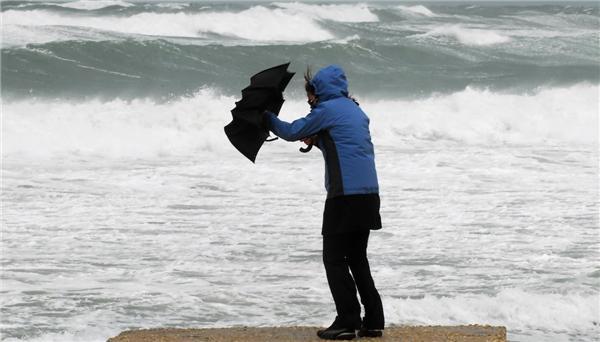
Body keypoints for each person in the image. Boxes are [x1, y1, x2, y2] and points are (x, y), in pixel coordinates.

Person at [263, 65, 385, 340]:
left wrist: (266, 117)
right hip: (368, 195)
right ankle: (374, 320)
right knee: (357, 257)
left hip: (345, 196)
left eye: (310, 95)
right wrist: (319, 141)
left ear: (319, 91)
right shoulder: (355, 110)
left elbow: (291, 131)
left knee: (333, 258)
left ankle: (347, 321)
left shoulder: (326, 110)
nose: (309, 101)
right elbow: (345, 144)